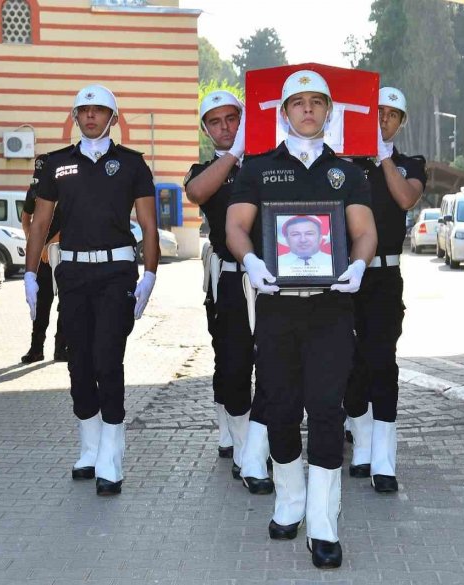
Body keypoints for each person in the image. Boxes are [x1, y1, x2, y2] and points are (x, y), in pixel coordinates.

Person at [226, 70, 377, 569]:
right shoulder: (258, 168)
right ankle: (289, 499)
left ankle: (323, 520)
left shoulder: (348, 172)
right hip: (277, 307)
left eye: (317, 102)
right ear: (283, 112)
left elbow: (364, 231)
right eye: (298, 102)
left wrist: (358, 264)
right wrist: (249, 261)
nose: (308, 109)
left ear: (328, 112)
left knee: (327, 409)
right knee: (284, 408)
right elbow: (237, 226)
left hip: (332, 308)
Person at [24, 84, 159, 496]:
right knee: (78, 362)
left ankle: (112, 457)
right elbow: (40, 223)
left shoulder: (133, 165)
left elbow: (149, 225)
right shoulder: (56, 164)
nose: (90, 117)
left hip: (117, 273)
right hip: (73, 276)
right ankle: (89, 446)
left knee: (107, 360)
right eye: (83, 111)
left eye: (99, 111)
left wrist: (150, 274)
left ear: (113, 118)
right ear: (74, 117)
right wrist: (30, 274)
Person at [184, 90, 273, 495]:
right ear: (206, 130)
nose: (225, 127)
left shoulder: (267, 164)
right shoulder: (206, 168)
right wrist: (233, 155)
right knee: (234, 366)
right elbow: (197, 193)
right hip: (230, 279)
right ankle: (240, 445)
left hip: (270, 280)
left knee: (272, 367)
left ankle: (258, 448)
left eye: (232, 119)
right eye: (216, 122)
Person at [344, 87, 427, 493]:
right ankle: (360, 444)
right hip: (347, 276)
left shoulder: (410, 164)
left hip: (385, 276)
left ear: (401, 122)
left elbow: (405, 198)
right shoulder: (344, 164)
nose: (384, 120)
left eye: (393, 115)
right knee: (349, 362)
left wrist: (384, 159)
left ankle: (384, 459)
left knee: (382, 361)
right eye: (378, 112)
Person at [20, 152, 68, 364]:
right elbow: (25, 217)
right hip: (42, 258)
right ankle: (36, 349)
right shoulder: (34, 190)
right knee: (42, 304)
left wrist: (49, 245)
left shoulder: (65, 189)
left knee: (66, 304)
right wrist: (33, 240)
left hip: (63, 253)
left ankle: (61, 349)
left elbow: (71, 223)